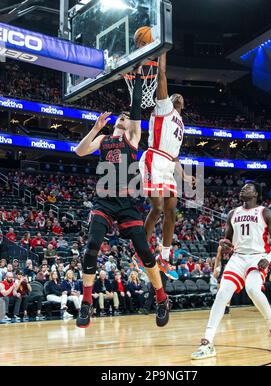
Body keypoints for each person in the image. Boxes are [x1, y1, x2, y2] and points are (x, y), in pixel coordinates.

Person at [74, 66, 169, 328]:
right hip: (103, 201)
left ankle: (161, 299)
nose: (124, 118)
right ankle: (86, 303)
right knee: (92, 246)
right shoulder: (103, 139)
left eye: (127, 117)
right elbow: (80, 151)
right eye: (122, 117)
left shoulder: (133, 139)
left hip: (126, 203)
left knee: (144, 252)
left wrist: (138, 78)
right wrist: (95, 128)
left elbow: (136, 107)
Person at [191, 182, 271, 360]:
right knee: (222, 294)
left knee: (252, 289)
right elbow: (228, 240)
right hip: (238, 257)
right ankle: (207, 342)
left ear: (256, 193)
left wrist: (269, 258)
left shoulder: (265, 212)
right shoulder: (232, 213)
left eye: (248, 187)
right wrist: (225, 244)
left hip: (258, 256)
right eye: (242, 187)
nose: (243, 189)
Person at [139, 53, 195, 272]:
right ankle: (141, 250)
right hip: (154, 158)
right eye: (174, 95)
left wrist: (183, 175)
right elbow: (161, 75)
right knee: (158, 207)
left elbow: (175, 156)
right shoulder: (164, 107)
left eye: (181, 97)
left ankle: (164, 256)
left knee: (171, 211)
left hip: (169, 165)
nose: (177, 96)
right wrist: (162, 50)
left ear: (184, 105)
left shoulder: (181, 124)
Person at [213, 245, 232, 314]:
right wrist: (215, 269)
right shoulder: (221, 247)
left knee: (229, 289)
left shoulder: (234, 246)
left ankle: (227, 306)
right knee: (219, 288)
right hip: (223, 268)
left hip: (231, 269)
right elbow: (217, 258)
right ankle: (220, 305)